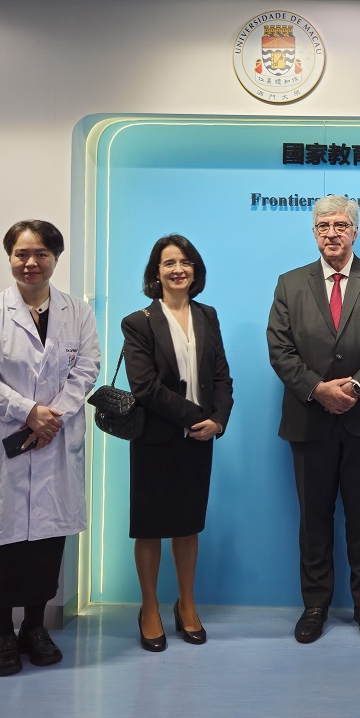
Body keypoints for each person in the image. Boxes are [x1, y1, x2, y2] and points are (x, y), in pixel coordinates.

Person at [0, 220, 99, 676]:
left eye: (41, 254)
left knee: (43, 545)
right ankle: (2, 634)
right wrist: (29, 411)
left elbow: (87, 368)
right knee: (0, 542)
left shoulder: (78, 313)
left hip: (54, 440)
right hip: (2, 441)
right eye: (21, 254)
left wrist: (53, 417)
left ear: (56, 258)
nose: (31, 263)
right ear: (10, 257)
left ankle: (35, 627)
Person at [266, 195, 360, 644]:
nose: (332, 233)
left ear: (354, 232)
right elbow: (280, 349)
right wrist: (318, 389)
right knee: (314, 518)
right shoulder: (290, 284)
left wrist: (355, 388)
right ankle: (315, 606)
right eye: (323, 225)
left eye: (340, 225)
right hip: (309, 419)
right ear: (314, 233)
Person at [121, 235, 234, 652]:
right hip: (155, 438)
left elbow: (221, 377)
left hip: (200, 439)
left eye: (185, 262)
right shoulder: (138, 322)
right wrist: (196, 417)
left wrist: (218, 420)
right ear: (156, 272)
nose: (178, 269)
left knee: (188, 525)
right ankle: (149, 607)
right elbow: (145, 387)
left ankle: (186, 604)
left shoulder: (207, 315)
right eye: (169, 262)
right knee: (150, 527)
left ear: (195, 270)